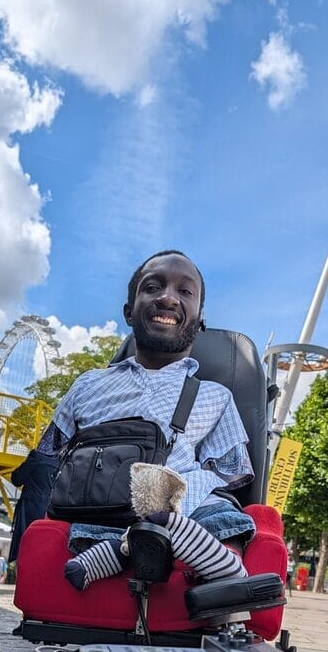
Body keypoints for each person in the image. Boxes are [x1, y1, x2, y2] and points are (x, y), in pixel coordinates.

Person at [36, 250, 255, 591]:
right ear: (129, 311)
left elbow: (230, 472)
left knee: (227, 520)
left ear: (198, 322)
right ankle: (178, 550)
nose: (168, 297)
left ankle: (132, 552)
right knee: (85, 527)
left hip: (185, 505)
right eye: (153, 287)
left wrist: (182, 493)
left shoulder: (216, 396)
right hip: (102, 507)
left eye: (185, 292)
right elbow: (48, 455)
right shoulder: (88, 385)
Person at [9, 449, 58, 564]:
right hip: (50, 511)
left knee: (23, 545)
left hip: (30, 507)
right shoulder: (61, 461)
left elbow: (17, 479)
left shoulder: (36, 456)